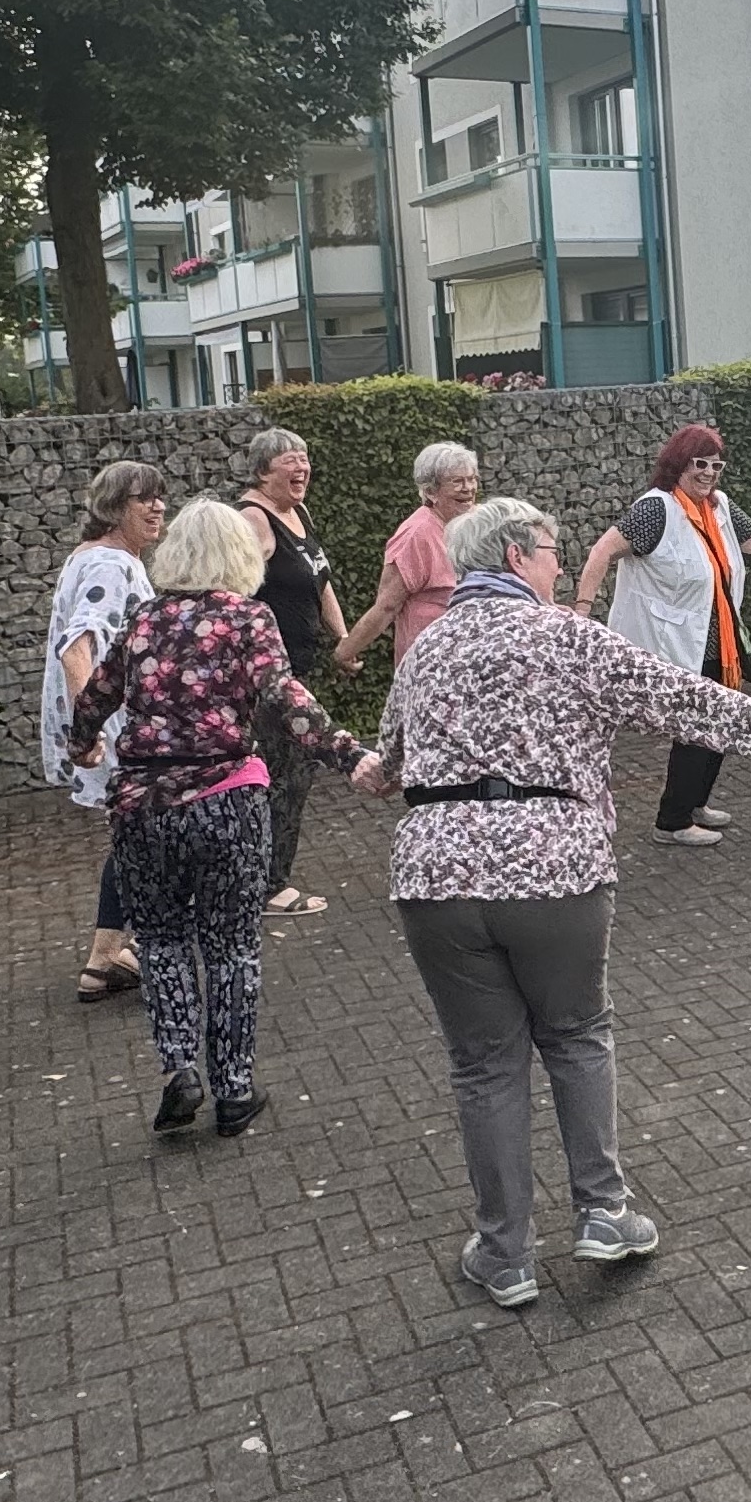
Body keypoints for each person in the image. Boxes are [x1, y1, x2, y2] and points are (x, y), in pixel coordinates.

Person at [353, 497, 751, 1309]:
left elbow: (385, 768)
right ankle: (603, 1214)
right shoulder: (568, 636)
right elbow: (682, 696)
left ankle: (505, 1254)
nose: (561, 565)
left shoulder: (424, 652)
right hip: (556, 868)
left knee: (485, 1065)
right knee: (575, 1036)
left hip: (438, 877)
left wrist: (367, 764)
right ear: (521, 552)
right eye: (554, 550)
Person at [65, 498, 366, 1140]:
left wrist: (82, 742)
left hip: (143, 806)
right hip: (227, 799)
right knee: (232, 948)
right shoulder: (249, 618)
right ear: (236, 555)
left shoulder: (146, 619)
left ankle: (180, 1067)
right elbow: (286, 697)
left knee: (165, 942)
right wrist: (349, 755)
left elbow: (96, 695)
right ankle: (233, 1090)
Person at [574, 424, 751, 846]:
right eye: (698, 463)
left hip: (718, 639)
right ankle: (672, 822)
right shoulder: (657, 509)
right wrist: (581, 611)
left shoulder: (718, 507)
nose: (708, 473)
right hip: (675, 641)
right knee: (698, 724)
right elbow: (602, 550)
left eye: (715, 465)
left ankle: (695, 804)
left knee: (717, 722)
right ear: (677, 464)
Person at [44, 458, 171, 1002]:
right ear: (114, 508)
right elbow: (79, 645)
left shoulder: (96, 557)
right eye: (144, 498)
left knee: (138, 834)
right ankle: (118, 954)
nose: (158, 506)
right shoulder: (110, 565)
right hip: (118, 726)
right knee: (148, 834)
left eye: (161, 496)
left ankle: (109, 958)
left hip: (115, 722)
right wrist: (88, 726)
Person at [232, 428, 352, 918]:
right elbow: (234, 584)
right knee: (283, 777)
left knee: (293, 775)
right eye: (289, 460)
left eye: (305, 458)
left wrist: (344, 642)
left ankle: (263, 878)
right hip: (266, 681)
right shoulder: (253, 517)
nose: (302, 467)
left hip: (297, 670)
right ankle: (268, 886)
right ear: (263, 470)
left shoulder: (296, 513)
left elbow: (319, 581)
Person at [336, 442, 481, 670]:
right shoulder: (416, 535)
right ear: (431, 491)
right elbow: (386, 606)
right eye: (457, 481)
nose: (468, 488)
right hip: (432, 663)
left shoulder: (478, 522)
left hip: (474, 656)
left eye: (472, 479)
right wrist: (346, 651)